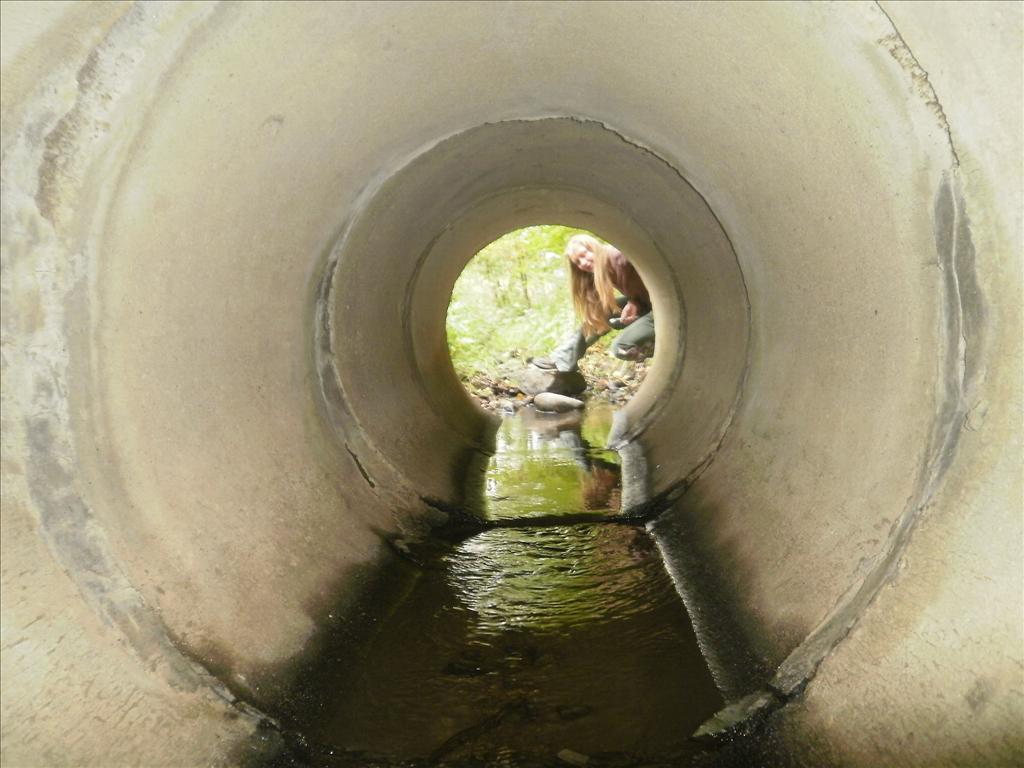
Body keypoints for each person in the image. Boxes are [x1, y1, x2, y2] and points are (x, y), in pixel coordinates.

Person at [533, 234, 655, 373]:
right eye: (578, 262)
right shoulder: (602, 268)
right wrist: (635, 302)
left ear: (594, 247)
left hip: (664, 311)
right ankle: (563, 358)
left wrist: (636, 303)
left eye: (584, 255)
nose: (583, 263)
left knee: (621, 347)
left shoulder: (620, 257)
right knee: (599, 313)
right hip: (646, 303)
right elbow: (640, 288)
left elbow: (659, 284)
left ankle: (657, 346)